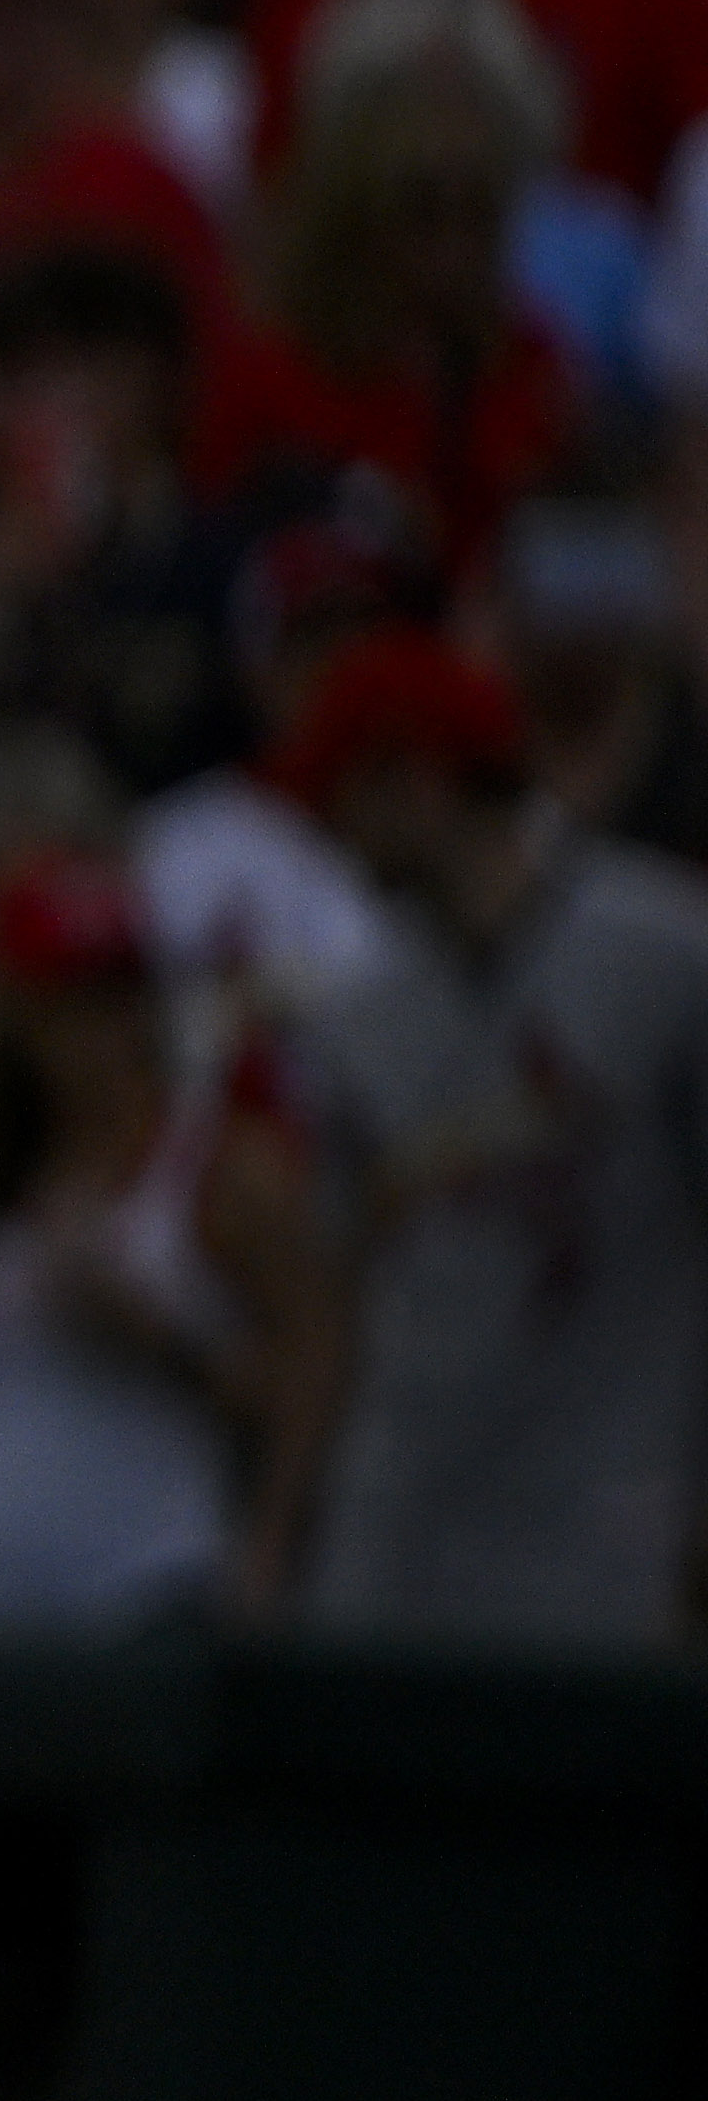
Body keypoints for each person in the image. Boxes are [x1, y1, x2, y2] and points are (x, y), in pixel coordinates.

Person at [272, 633, 708, 1648]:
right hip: (398, 1523)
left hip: (602, 1517)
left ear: (413, 780)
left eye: (344, 792)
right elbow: (333, 1295)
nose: (329, 831)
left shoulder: (665, 953)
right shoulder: (356, 1012)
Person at [0, 853, 333, 1641]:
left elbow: (313, 1374)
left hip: (135, 1580)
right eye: (73, 1004)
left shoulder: (212, 1166)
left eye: (120, 997)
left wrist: (152, 1338)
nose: (103, 1033)